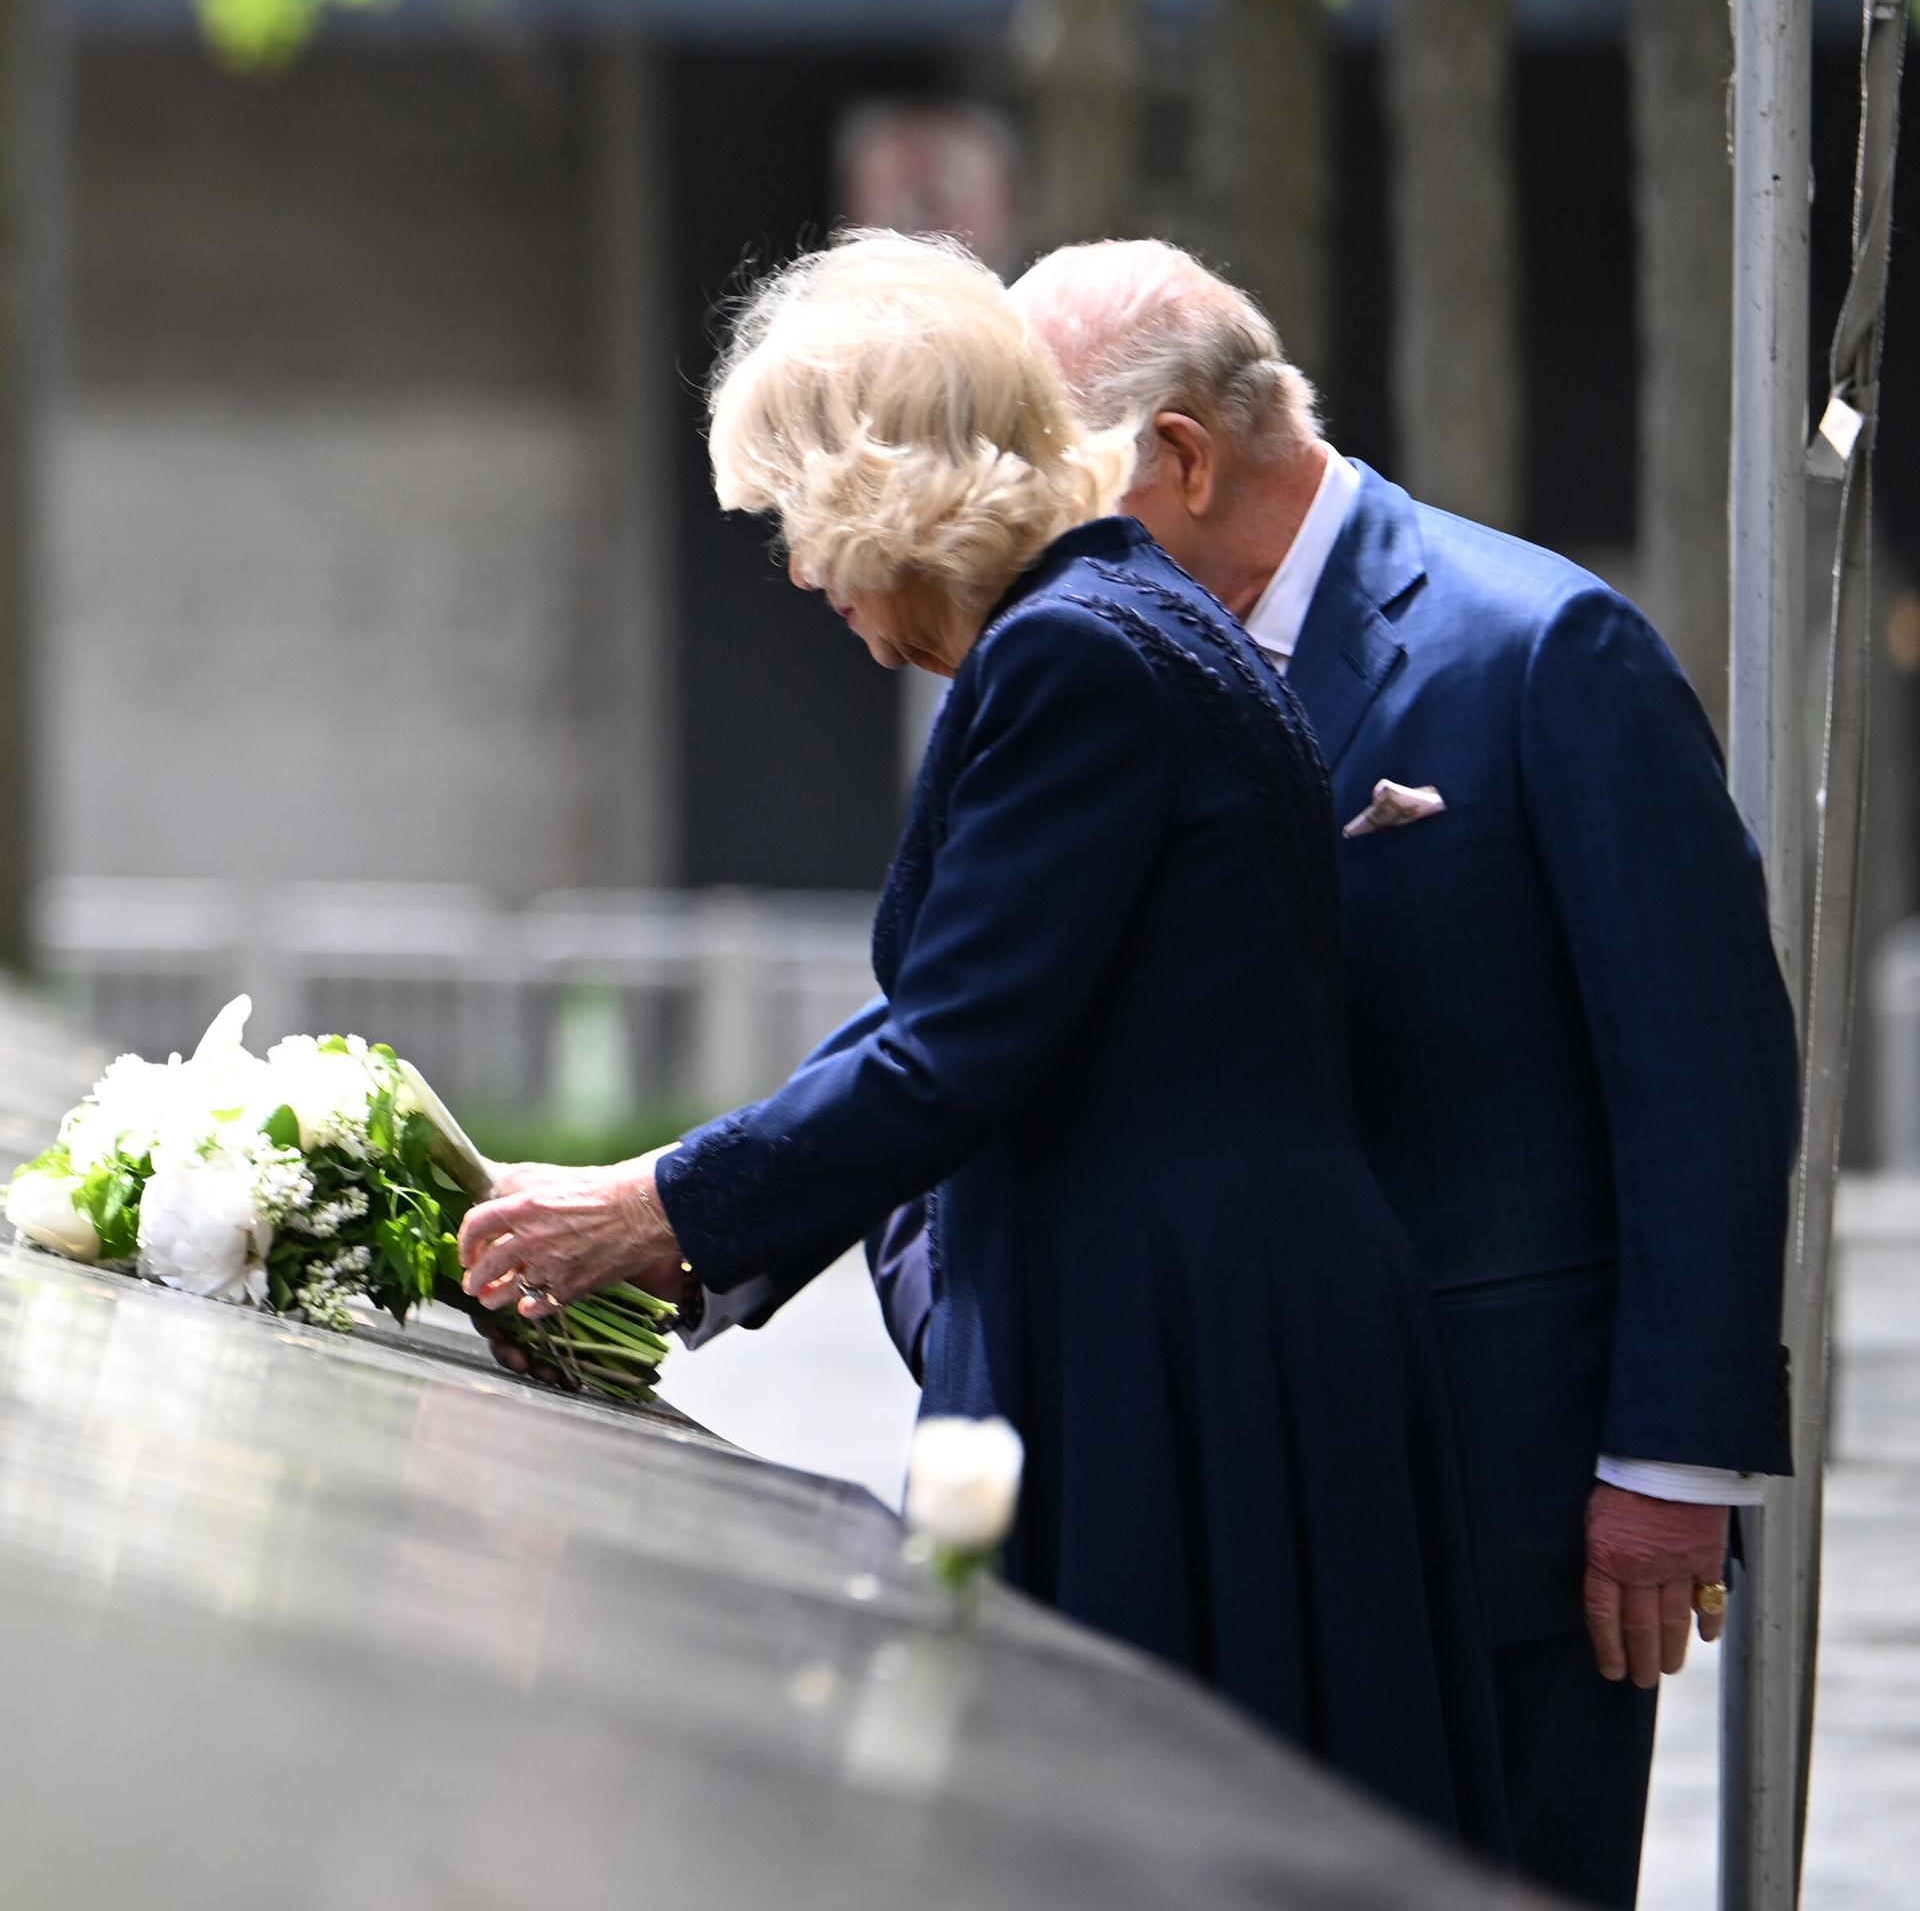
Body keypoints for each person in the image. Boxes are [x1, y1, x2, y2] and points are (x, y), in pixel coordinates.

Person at [458, 230, 1510, 1854]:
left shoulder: (1071, 655)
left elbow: (954, 1047)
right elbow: (952, 1015)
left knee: (1140, 1834)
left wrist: (647, 1211)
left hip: (1178, 1342)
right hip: (1217, 1318)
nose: (806, 579)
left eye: (801, 526)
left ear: (889, 497)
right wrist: (675, 1207)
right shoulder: (1116, 618)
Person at [964, 239, 1791, 1909]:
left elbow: (1705, 1076)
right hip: (1199, 1483)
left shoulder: (1546, 648)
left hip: (1512, 1510)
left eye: (1051, 488)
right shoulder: (1102, 665)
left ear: (1178, 460)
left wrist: (1669, 1469)